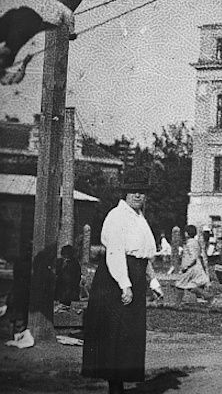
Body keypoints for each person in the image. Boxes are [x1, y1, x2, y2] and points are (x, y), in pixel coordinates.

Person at [82, 167, 163, 394]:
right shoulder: (116, 216)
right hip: (114, 279)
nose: (138, 195)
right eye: (133, 191)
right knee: (115, 334)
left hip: (134, 276)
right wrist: (124, 285)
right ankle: (114, 388)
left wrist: (153, 282)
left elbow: (143, 255)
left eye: (142, 191)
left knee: (129, 335)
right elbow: (115, 253)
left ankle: (119, 385)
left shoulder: (139, 218)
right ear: (125, 193)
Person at [0, 0, 74, 83]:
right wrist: (24, 64)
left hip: (24, 21)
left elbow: (14, 77)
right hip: (25, 22)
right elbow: (15, 77)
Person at [173, 225, 211, 306]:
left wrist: (186, 266)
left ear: (187, 233)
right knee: (190, 286)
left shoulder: (190, 243)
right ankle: (207, 296)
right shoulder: (194, 242)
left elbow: (193, 257)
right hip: (192, 267)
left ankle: (177, 304)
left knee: (179, 285)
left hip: (189, 269)